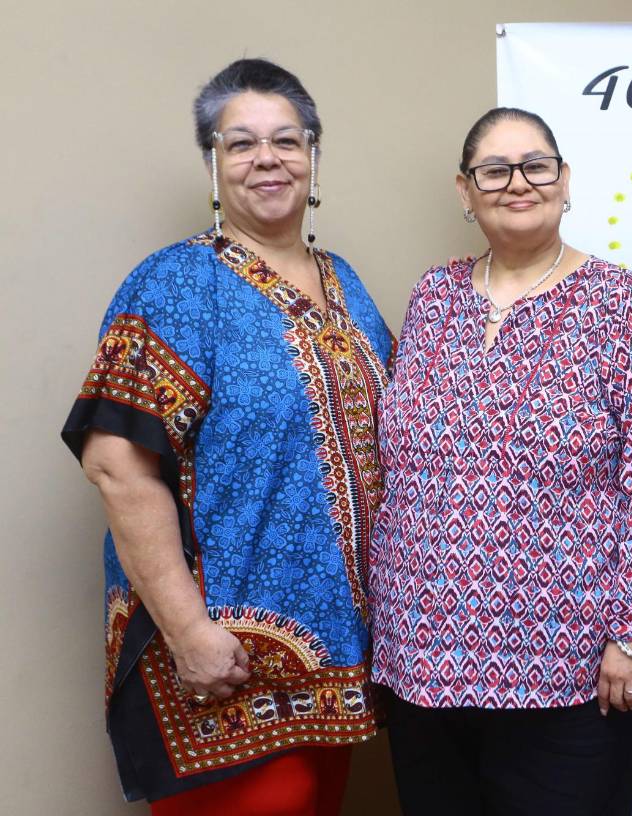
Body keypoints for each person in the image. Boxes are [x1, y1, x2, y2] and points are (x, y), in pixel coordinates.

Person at [60, 58, 394, 814]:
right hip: (225, 659)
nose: (267, 158)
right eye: (240, 144)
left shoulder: (347, 284)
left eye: (287, 139)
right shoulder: (176, 283)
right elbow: (116, 465)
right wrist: (188, 632)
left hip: (337, 662)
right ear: (212, 163)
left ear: (314, 156)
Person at [369, 107, 632, 816]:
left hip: (570, 670)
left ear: (564, 181)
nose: (516, 182)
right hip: (422, 662)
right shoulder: (433, 298)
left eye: (536, 165)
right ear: (465, 191)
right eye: (494, 170)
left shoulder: (626, 308)